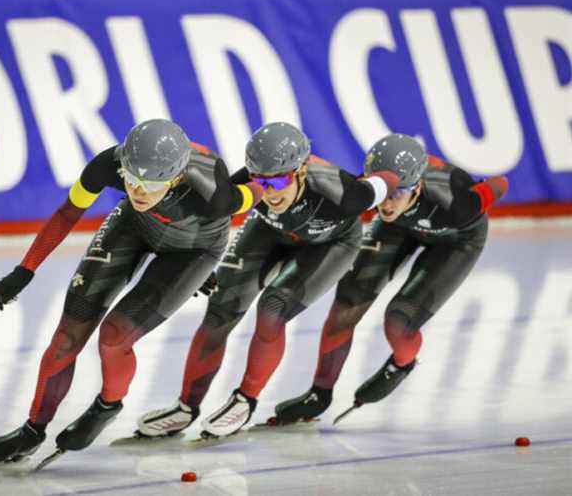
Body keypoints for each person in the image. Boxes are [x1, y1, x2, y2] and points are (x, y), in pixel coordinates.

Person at [0, 119, 265, 467]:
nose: (137, 191)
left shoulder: (214, 193)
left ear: (176, 178)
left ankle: (108, 404)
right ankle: (32, 430)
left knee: (113, 338)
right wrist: (25, 268)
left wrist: (203, 271)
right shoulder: (109, 164)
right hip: (133, 227)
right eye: (131, 179)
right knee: (66, 337)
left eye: (149, 185)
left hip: (194, 251)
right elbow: (68, 213)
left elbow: (260, 185)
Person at [133, 122, 401, 440]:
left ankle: (245, 400)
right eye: (261, 181)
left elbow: (388, 180)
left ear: (301, 170)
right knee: (221, 306)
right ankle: (186, 407)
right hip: (268, 232)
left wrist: (401, 176)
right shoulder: (247, 183)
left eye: (280, 180)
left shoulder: (342, 192)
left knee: (273, 309)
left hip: (331, 244)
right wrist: (197, 263)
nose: (270, 191)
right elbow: (209, 216)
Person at [274, 133, 509, 425]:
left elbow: (501, 182)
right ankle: (319, 394)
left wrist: (481, 193)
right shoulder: (371, 192)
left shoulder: (458, 203)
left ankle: (401, 364)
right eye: (383, 192)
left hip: (456, 239)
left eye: (396, 193)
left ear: (418, 185)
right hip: (397, 228)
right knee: (347, 303)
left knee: (399, 321)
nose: (385, 203)